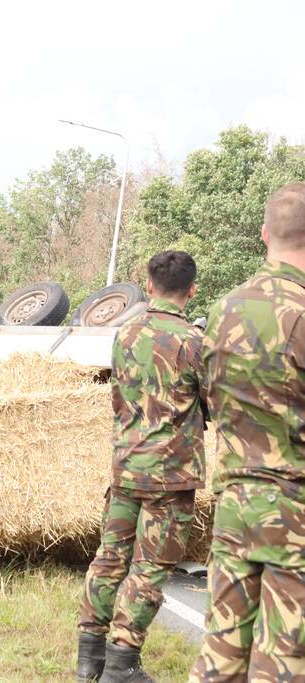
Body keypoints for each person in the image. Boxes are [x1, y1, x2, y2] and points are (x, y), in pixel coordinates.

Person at [189, 182, 305, 682]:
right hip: (294, 506)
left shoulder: (222, 310)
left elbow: (208, 397)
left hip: (235, 500)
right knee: (284, 659)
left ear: (264, 234)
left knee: (222, 649)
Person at [77, 251, 206, 683]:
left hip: (126, 467)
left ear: (149, 285)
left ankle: (88, 659)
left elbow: (119, 396)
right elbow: (214, 403)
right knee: (149, 568)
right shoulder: (194, 342)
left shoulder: (125, 333)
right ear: (192, 290)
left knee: (109, 559)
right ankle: (121, 664)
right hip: (169, 476)